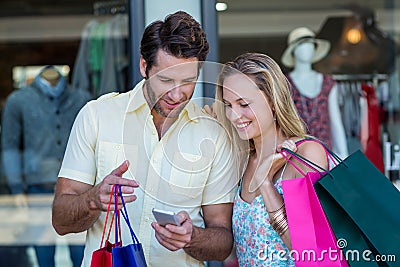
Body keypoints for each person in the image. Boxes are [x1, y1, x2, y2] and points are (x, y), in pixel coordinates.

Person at [52, 11, 239, 267]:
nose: (177, 93)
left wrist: (192, 238)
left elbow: (222, 241)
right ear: (144, 66)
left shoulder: (214, 134)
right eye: (165, 80)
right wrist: (93, 199)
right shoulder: (96, 116)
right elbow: (61, 221)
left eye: (188, 81)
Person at [213, 53, 329, 266]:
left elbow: (310, 252)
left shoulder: (305, 155)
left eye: (243, 104)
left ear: (273, 101)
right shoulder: (242, 162)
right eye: (228, 105)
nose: (233, 115)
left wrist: (265, 183)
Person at [1, 65, 91, 267]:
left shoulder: (81, 99)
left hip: (78, 189)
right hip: (37, 188)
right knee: (43, 255)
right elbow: (10, 147)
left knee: (81, 255)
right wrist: (16, 189)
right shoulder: (19, 100)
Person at [281, 27, 348, 158]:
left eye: (311, 44)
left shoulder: (328, 82)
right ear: (293, 50)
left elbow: (335, 122)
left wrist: (344, 155)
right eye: (302, 44)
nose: (307, 48)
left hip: (326, 152)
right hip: (297, 153)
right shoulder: (284, 83)